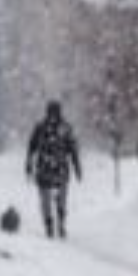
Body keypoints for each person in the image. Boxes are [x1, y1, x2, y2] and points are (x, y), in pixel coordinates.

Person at [25, 101, 82, 238]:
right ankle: (55, 223)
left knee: (48, 199)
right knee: (58, 199)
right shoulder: (64, 128)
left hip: (48, 168)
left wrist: (28, 164)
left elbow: (32, 148)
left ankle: (52, 224)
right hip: (57, 169)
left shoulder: (42, 127)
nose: (53, 116)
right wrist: (77, 167)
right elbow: (73, 150)